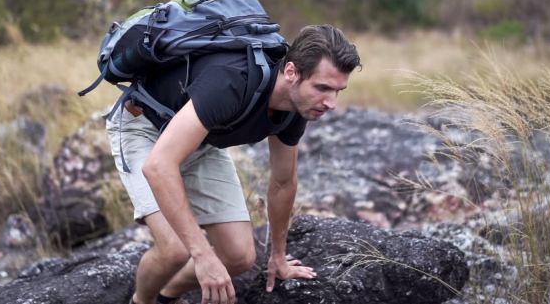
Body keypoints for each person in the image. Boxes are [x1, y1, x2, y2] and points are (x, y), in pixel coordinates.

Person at [106, 24, 361, 304]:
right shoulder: (232, 81)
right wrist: (203, 256)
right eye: (323, 88)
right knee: (176, 249)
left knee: (239, 256)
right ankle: (141, 300)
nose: (331, 103)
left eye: (338, 90)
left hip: (200, 139)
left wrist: (278, 256)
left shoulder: (296, 107)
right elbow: (159, 166)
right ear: (291, 72)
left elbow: (283, 182)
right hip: (144, 128)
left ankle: (169, 296)